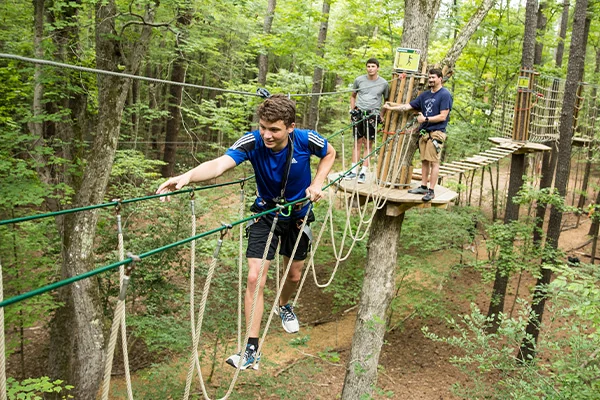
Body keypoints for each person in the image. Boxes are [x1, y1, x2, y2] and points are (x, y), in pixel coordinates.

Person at [156, 95, 336, 370]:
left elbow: (329, 153)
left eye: (274, 129)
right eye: (263, 126)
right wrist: (187, 176)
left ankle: (284, 305)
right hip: (265, 215)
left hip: (298, 215)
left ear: (290, 127)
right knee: (255, 278)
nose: (266, 134)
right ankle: (252, 349)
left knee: (294, 274)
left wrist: (318, 182)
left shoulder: (305, 139)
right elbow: (220, 164)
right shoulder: (252, 141)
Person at [382, 68, 452, 202]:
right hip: (424, 133)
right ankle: (424, 186)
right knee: (424, 161)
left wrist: (425, 119)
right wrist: (391, 107)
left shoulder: (445, 95)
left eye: (433, 78)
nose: (431, 80)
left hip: (436, 132)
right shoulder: (425, 95)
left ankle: (431, 190)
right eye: (429, 78)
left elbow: (443, 116)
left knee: (434, 162)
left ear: (440, 79)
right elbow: (407, 106)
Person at [347, 58, 390, 183]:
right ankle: (353, 170)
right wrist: (352, 109)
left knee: (368, 143)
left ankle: (363, 172)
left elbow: (386, 100)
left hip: (373, 114)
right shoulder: (359, 80)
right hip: (359, 113)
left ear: (378, 68)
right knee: (357, 142)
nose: (370, 68)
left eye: (373, 66)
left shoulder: (383, 83)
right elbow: (353, 96)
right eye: (368, 66)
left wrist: (382, 114)